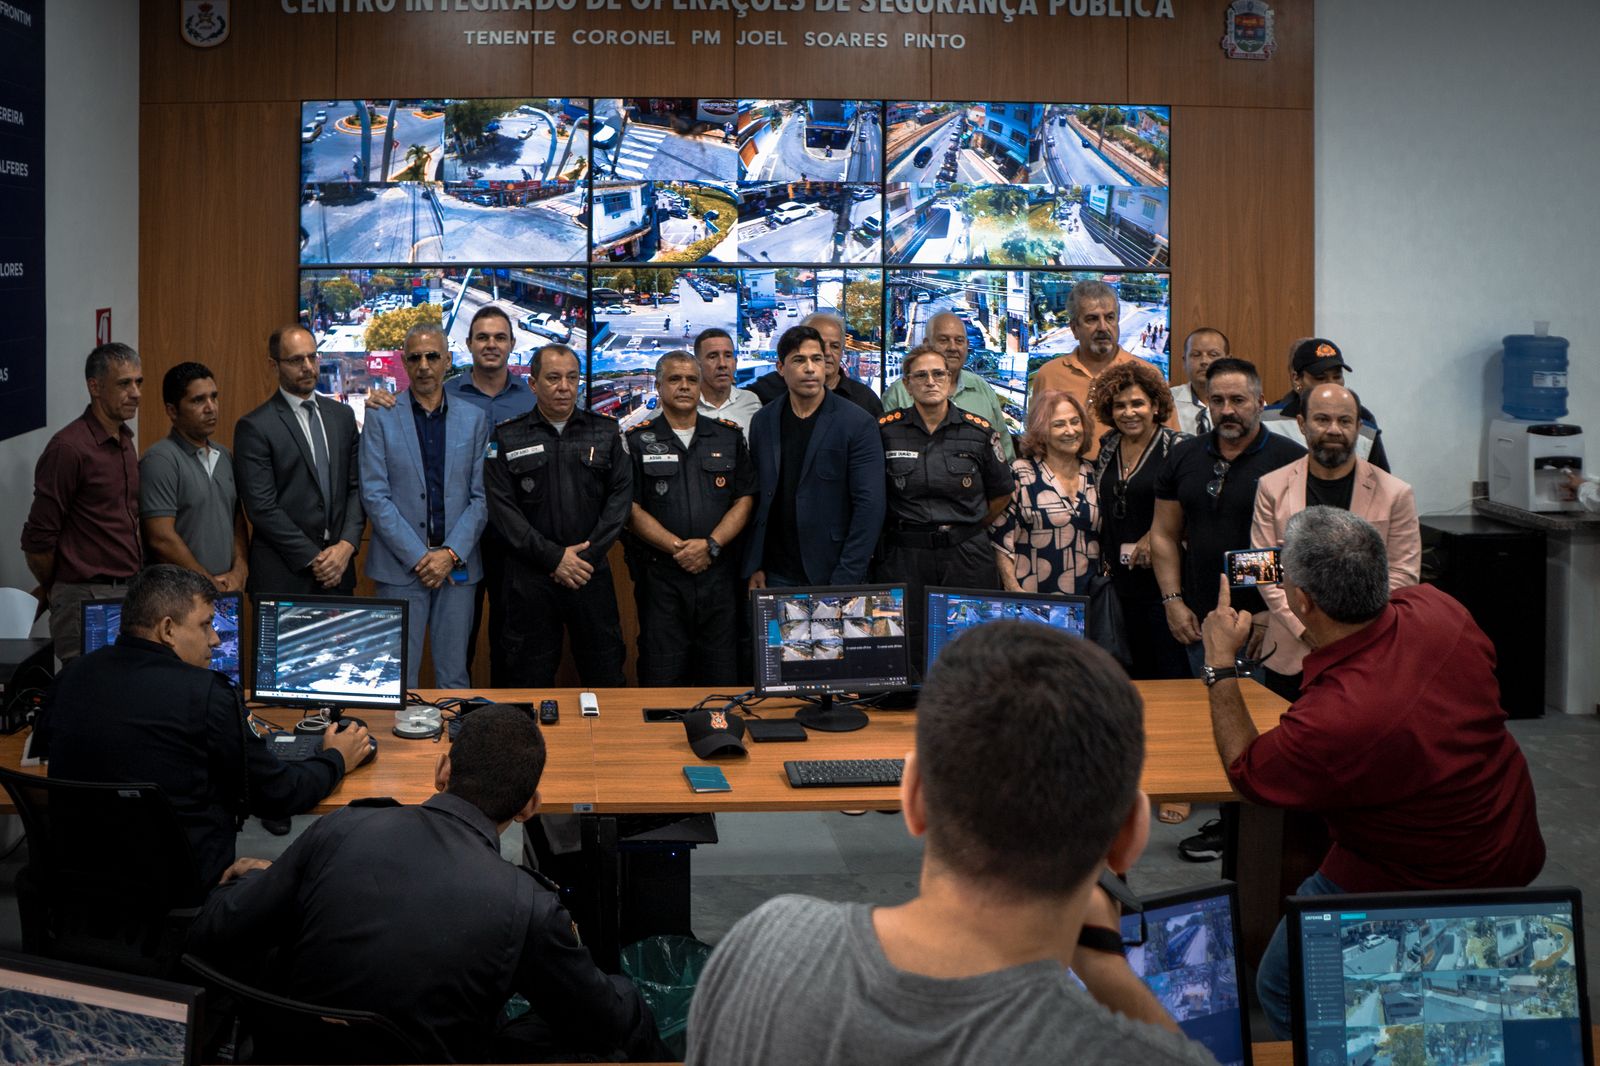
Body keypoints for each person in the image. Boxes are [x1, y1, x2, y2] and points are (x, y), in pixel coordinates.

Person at [685, 623, 1220, 1066]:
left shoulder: (763, 945)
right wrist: (1106, 967)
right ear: (1131, 836)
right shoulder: (1137, 1054)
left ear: (913, 797)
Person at [1199, 508, 1545, 1039]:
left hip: (1418, 873)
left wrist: (1220, 664)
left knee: (1282, 985)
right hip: (1509, 838)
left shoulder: (1337, 718)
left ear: (1302, 601)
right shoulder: (1440, 607)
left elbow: (1249, 773)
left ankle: (1361, 1047)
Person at [187, 706, 670, 1064]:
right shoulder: (527, 904)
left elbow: (218, 929)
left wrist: (260, 878)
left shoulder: (343, 829)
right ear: (528, 807)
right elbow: (600, 1020)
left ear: (442, 772)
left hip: (296, 1048)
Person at [36, 565, 371, 889]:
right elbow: (280, 795)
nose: (214, 639)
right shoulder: (208, 695)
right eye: (206, 624)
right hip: (183, 887)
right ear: (167, 629)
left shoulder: (68, 679)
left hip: (79, 883)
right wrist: (336, 758)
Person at [1250, 384, 1420, 701]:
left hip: (1368, 652)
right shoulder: (1271, 488)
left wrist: (1349, 633)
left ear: (1358, 427)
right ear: (1302, 424)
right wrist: (1309, 631)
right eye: (1322, 419)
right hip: (1291, 653)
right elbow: (1266, 572)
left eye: (1344, 421)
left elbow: (1403, 576)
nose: (1333, 430)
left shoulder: (1396, 494)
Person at [484, 343, 631, 687]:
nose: (564, 387)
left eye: (571, 378)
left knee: (606, 674)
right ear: (533, 384)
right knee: (526, 679)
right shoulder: (507, 436)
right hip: (531, 579)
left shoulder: (606, 432)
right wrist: (553, 558)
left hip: (590, 575)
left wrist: (583, 559)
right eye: (553, 378)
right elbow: (502, 510)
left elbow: (619, 502)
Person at [1150, 357, 1304, 676]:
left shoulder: (1291, 460)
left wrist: (1271, 612)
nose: (1227, 410)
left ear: (1260, 403)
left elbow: (1301, 548)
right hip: (1197, 621)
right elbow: (1163, 534)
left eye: (1238, 400)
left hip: (1266, 626)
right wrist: (1173, 601)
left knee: (1259, 720)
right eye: (1217, 401)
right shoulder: (1183, 456)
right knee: (1206, 716)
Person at [358, 324, 490, 690]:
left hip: (456, 569)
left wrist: (449, 553)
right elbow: (374, 494)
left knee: (454, 678)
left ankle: (456, 748)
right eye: (414, 357)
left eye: (433, 356)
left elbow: (482, 498)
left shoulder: (474, 419)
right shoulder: (380, 416)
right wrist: (420, 557)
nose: (424, 365)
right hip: (400, 569)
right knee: (396, 680)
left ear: (448, 360)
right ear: (403, 362)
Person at [877, 345, 1013, 670]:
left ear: (950, 381)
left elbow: (1002, 492)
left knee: (971, 644)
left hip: (965, 554)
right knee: (906, 647)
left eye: (938, 374)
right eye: (920, 375)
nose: (931, 381)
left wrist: (971, 527)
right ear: (907, 385)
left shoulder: (977, 431)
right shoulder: (886, 432)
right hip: (906, 556)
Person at [624, 351, 756, 686]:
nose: (684, 386)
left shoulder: (728, 436)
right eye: (675, 379)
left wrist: (710, 545)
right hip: (662, 578)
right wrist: (680, 549)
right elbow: (630, 507)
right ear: (658, 385)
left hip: (718, 577)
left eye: (692, 380)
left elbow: (744, 498)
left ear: (700, 386)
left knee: (721, 671)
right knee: (661, 671)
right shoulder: (637, 439)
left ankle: (721, 738)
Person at [21, 343, 144, 660]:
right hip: (85, 597)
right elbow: (37, 540)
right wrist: (61, 585)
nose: (135, 393)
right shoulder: (69, 448)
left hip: (127, 593)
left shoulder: (126, 440)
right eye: (124, 383)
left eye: (138, 382)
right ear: (95, 386)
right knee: (91, 698)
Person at [745, 325, 886, 589]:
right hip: (776, 572)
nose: (810, 368)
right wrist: (756, 564)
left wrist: (846, 578)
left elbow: (870, 507)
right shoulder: (763, 421)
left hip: (834, 570)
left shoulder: (857, 423)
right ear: (780, 368)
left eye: (816, 359)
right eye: (799, 360)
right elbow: (759, 498)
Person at [234, 326, 365, 595]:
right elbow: (261, 507)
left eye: (312, 357)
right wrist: (315, 558)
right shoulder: (255, 426)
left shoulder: (342, 417)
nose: (307, 366)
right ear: (274, 365)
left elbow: (356, 490)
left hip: (339, 572)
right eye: (296, 360)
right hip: (284, 576)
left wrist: (346, 546)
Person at [1087, 358, 1189, 680]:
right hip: (1118, 582)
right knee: (1126, 675)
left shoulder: (1177, 448)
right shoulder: (1108, 446)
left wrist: (1155, 534)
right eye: (1119, 406)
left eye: (1137, 404)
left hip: (1165, 583)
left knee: (1169, 673)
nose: (1128, 413)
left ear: (1155, 405)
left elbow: (1193, 507)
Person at [1025, 280, 1175, 459]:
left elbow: (1171, 445)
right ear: (1074, 329)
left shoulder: (1148, 374)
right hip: (1066, 483)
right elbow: (1036, 442)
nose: (1103, 327)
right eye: (1092, 319)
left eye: (1110, 317)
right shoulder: (1048, 375)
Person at [140, 362, 250, 595]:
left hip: (224, 589)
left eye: (214, 397)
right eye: (198, 400)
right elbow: (161, 538)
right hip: (178, 596)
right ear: (172, 410)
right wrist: (208, 582)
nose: (211, 407)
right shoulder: (160, 459)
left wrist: (240, 570)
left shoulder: (225, 456)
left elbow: (237, 519)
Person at [994, 390, 1099, 597]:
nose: (1070, 431)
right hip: (1031, 598)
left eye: (1075, 422)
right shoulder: (1021, 473)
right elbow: (1000, 540)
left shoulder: (1094, 473)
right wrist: (1013, 589)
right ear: (1042, 431)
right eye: (1059, 424)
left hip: (1088, 599)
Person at [880, 312, 1016, 460]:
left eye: (959, 341)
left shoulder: (982, 388)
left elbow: (1005, 452)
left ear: (967, 345)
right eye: (944, 340)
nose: (953, 347)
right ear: (926, 344)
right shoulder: (899, 393)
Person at [1261, 337, 1390, 472]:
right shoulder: (1268, 423)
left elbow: (1381, 485)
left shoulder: (1363, 419)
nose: (1331, 385)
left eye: (1337, 377)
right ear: (1296, 379)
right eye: (1320, 378)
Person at [746, 312, 884, 417]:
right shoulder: (770, 387)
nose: (828, 352)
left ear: (842, 352)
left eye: (835, 346)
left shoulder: (865, 400)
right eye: (820, 345)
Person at [692, 327, 761, 436]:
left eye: (728, 356)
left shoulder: (752, 402)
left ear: (735, 362)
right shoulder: (680, 405)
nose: (722, 364)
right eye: (712, 356)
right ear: (697, 365)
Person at [1169, 327, 1228, 436]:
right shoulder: (1166, 400)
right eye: (1196, 355)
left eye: (1213, 355)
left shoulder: (1248, 402)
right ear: (1184, 361)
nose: (1204, 361)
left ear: (1228, 361)